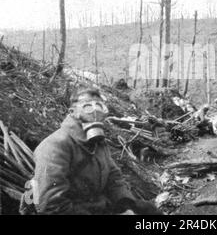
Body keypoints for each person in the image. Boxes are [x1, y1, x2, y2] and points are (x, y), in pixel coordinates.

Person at [27, 86, 162, 215]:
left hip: (97, 205)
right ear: (72, 112)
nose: (95, 111)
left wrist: (125, 206)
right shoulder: (55, 145)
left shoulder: (97, 142)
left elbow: (113, 177)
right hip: (71, 210)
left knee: (149, 210)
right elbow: (50, 204)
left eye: (99, 106)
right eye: (87, 106)